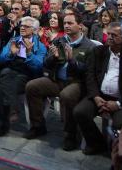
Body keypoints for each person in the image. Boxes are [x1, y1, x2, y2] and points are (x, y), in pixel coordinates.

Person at [23, 12, 96, 150]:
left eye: (70, 23)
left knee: (67, 95)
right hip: (57, 80)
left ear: (80, 26)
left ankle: (71, 135)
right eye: (65, 23)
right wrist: (54, 58)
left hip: (77, 83)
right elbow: (46, 64)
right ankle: (38, 126)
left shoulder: (90, 46)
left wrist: (71, 60)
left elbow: (88, 72)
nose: (66, 26)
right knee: (32, 86)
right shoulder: (59, 40)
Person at [73, 22, 122, 155]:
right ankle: (96, 144)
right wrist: (95, 97)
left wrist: (118, 104)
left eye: (115, 35)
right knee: (80, 112)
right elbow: (90, 76)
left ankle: (116, 152)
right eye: (109, 34)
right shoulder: (99, 51)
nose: (110, 38)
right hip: (100, 95)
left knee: (121, 124)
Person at [0, 16, 47, 138]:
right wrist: (11, 53)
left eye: (26, 26)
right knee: (6, 74)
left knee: (5, 82)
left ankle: (2, 124)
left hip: (28, 75)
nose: (22, 28)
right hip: (12, 72)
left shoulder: (40, 46)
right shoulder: (13, 41)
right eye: (21, 25)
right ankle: (12, 111)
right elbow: (1, 58)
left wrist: (29, 53)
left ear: (35, 30)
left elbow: (38, 67)